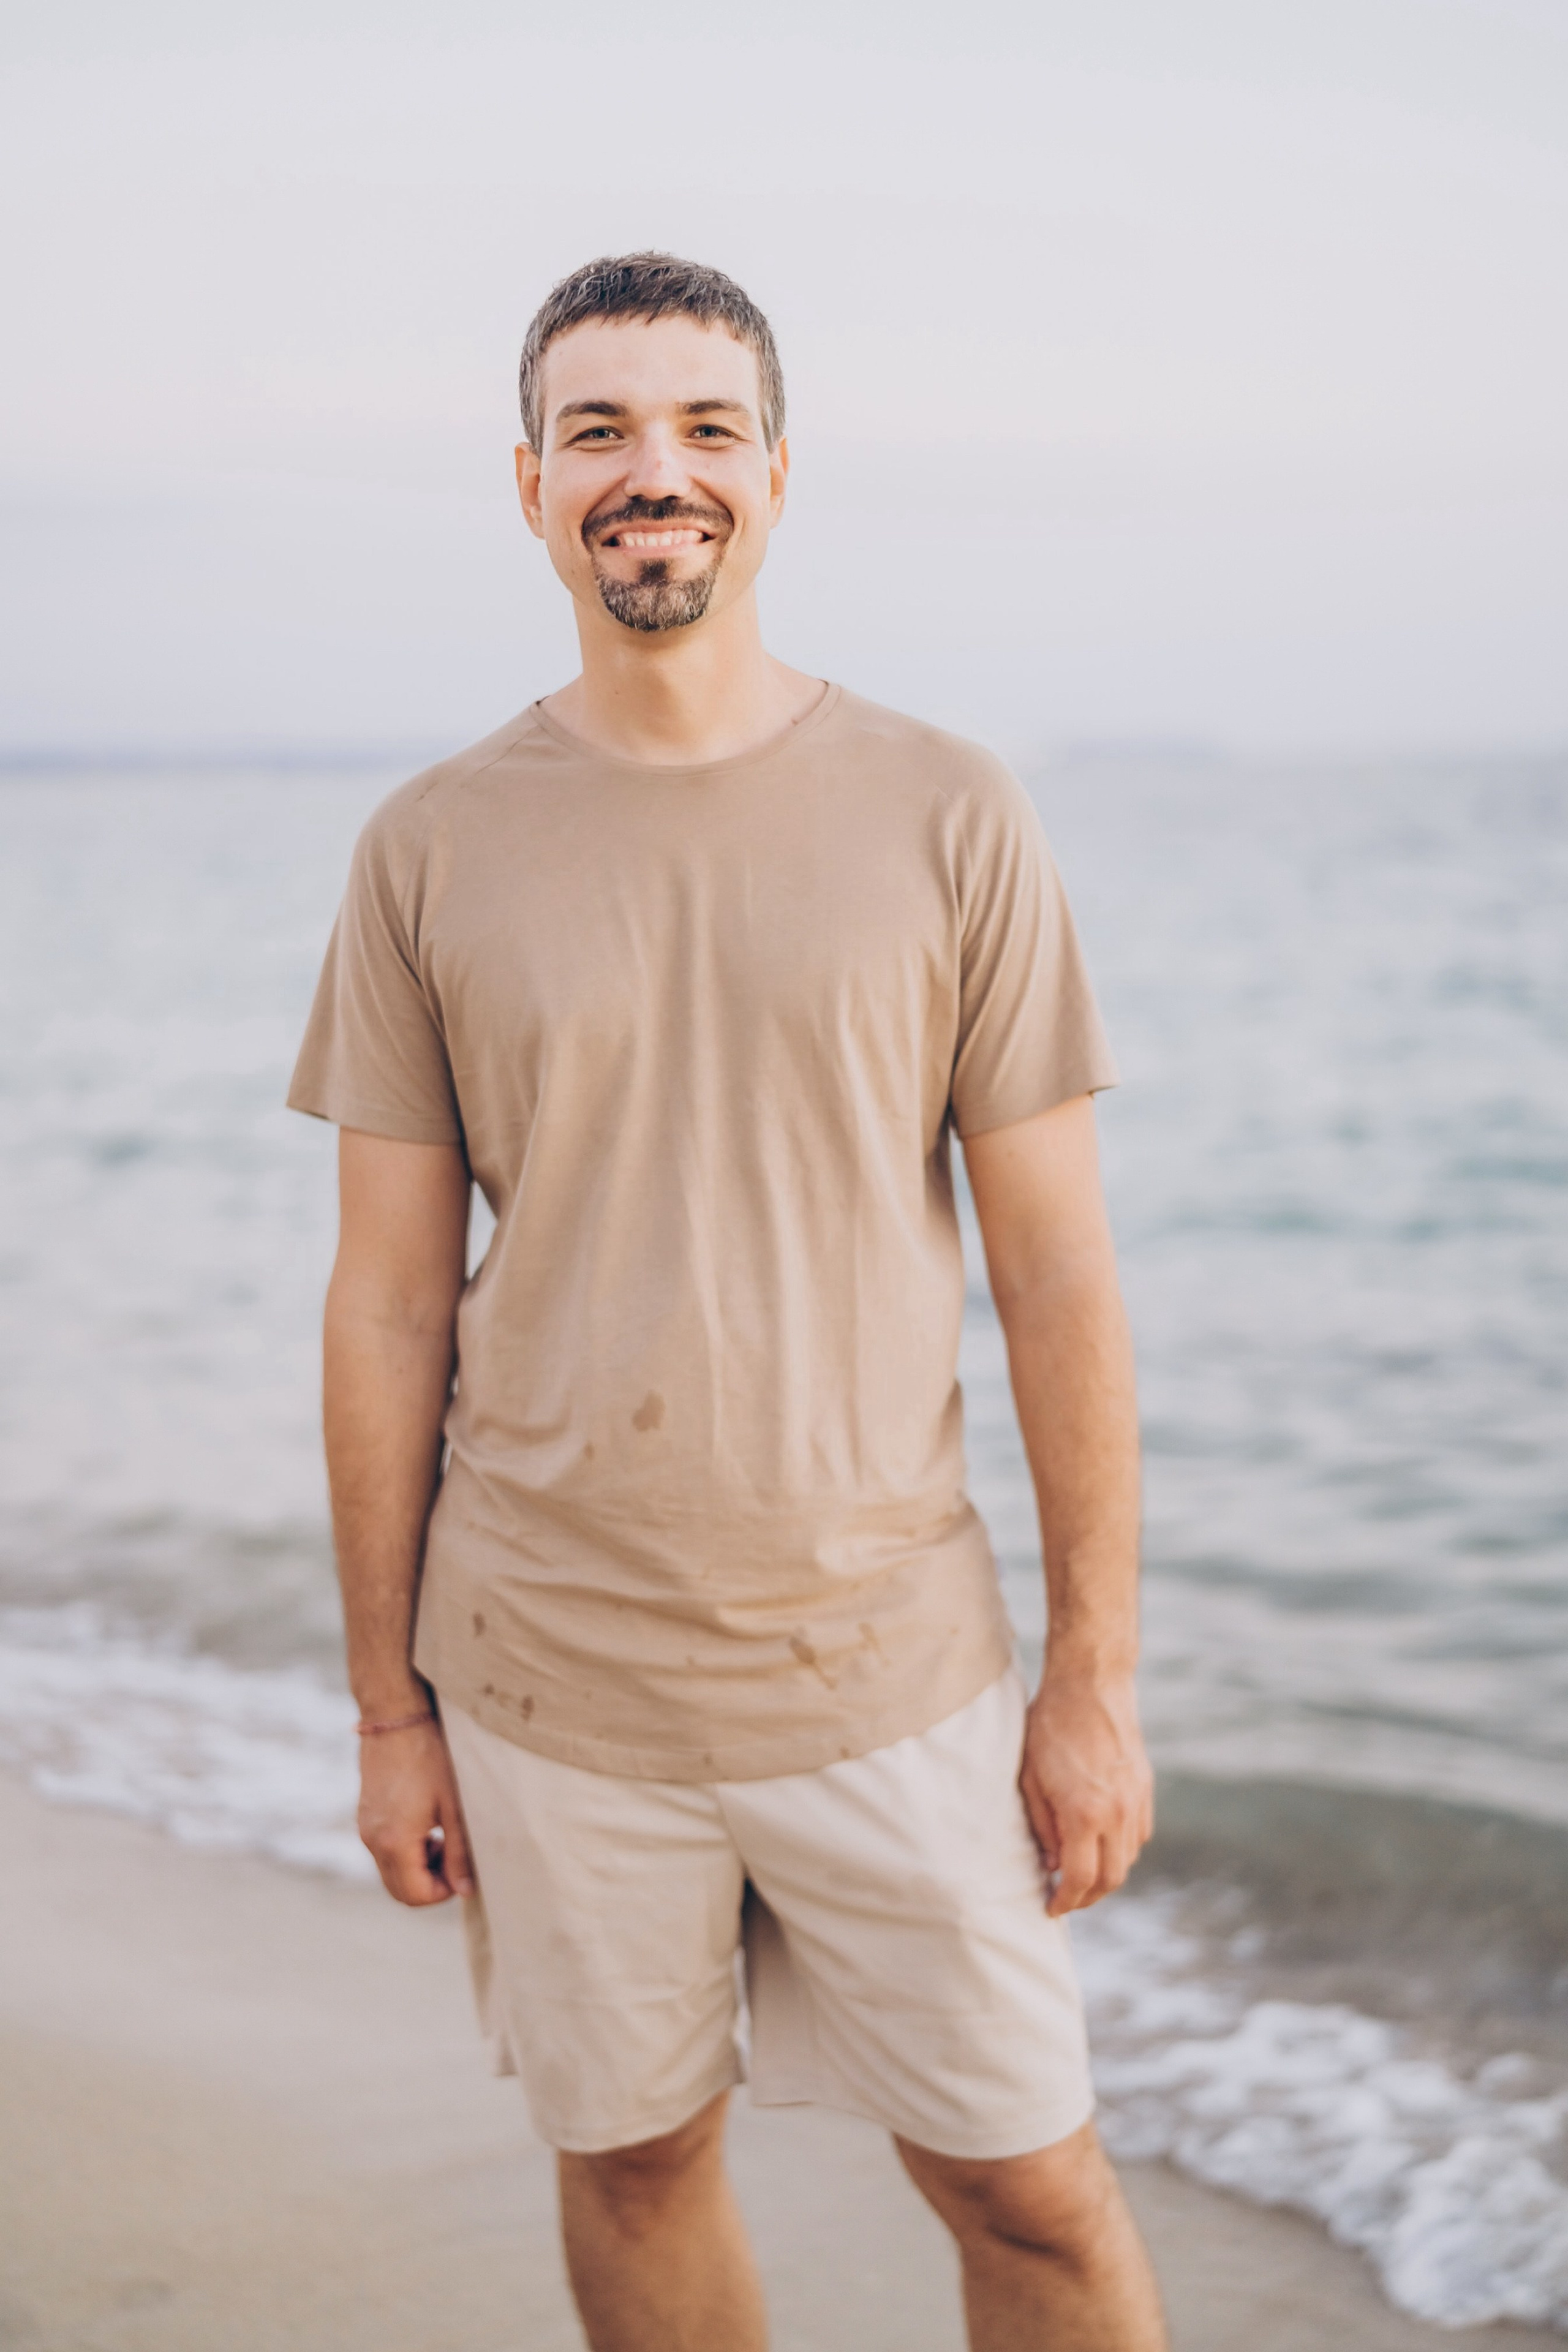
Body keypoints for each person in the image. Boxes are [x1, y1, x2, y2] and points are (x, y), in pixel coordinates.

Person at [289, 251, 1166, 2351]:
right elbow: (388, 1311)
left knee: (1030, 2195)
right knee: (635, 2164)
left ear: (778, 478)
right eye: (597, 431)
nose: (648, 474)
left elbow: (1056, 1273)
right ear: (528, 488)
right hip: (547, 1681)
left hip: (896, 1668)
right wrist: (387, 1708)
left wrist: (1094, 1680)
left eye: (699, 429)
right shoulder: (428, 847)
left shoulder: (953, 808)